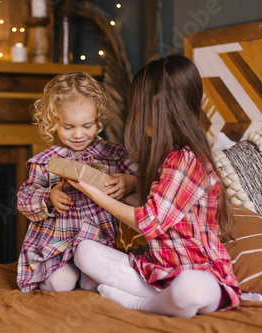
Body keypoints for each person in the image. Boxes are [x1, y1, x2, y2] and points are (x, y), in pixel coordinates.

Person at [69, 55, 241, 318]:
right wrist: (126, 187)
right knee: (84, 252)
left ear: (165, 109)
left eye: (141, 107)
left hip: (201, 274)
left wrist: (93, 192)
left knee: (189, 289)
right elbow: (156, 205)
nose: (137, 115)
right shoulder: (168, 158)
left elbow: (148, 221)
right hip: (158, 271)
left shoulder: (187, 160)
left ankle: (140, 303)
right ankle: (162, 299)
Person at [17, 72, 138, 293]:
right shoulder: (45, 162)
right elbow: (24, 200)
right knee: (60, 283)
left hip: (101, 244)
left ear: (99, 121)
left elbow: (149, 189)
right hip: (57, 246)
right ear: (53, 123)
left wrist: (131, 182)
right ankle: (59, 276)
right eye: (69, 127)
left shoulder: (115, 156)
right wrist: (49, 196)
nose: (79, 135)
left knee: (93, 283)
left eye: (87, 125)